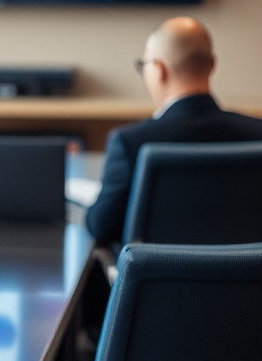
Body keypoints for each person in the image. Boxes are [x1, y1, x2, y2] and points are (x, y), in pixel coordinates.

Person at [85, 17, 262, 246]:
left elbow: (99, 226)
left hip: (157, 282)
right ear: (212, 64)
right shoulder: (257, 134)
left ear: (159, 69)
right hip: (249, 282)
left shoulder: (130, 142)